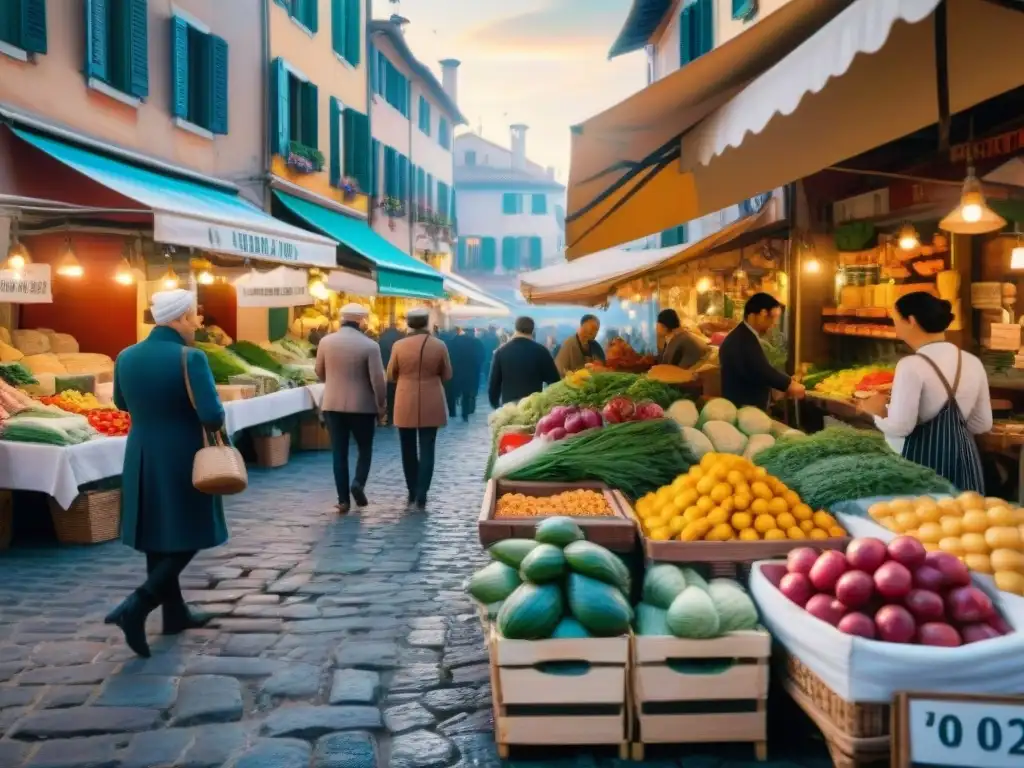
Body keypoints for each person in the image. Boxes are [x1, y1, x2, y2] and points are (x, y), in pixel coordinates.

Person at [106, 289, 226, 658]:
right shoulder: (191, 358)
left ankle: (174, 613)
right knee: (190, 530)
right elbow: (212, 416)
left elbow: (120, 403)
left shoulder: (126, 355)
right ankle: (138, 605)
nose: (197, 323)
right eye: (194, 317)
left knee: (157, 532)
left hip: (141, 452)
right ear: (180, 318)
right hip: (182, 453)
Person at [858, 292, 990, 492]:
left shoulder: (911, 365)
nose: (895, 325)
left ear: (910, 321)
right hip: (964, 464)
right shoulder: (972, 362)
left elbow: (901, 427)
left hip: (922, 468)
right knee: (967, 517)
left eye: (895, 319)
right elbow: (982, 424)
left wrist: (873, 412)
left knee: (924, 519)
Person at [316, 303, 387, 514]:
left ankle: (343, 500)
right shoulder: (370, 345)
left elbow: (319, 372)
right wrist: (381, 404)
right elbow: (378, 381)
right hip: (362, 407)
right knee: (364, 448)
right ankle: (358, 483)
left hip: (332, 404)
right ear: (362, 321)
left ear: (341, 319)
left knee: (339, 452)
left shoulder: (325, 342)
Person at [388, 308, 453, 511]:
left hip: (405, 398)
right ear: (426, 323)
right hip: (431, 397)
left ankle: (412, 490)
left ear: (408, 323)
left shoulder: (398, 345)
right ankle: (423, 492)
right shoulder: (439, 345)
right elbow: (448, 374)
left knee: (407, 448)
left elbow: (390, 374)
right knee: (428, 448)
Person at [719, 293, 805, 409]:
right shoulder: (742, 339)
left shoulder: (745, 334)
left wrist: (786, 381)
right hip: (743, 409)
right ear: (762, 314)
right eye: (772, 318)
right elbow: (761, 369)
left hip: (744, 407)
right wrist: (789, 384)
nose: (773, 324)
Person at [489, 316, 561, 407]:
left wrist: (495, 405)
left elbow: (494, 383)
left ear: (515, 329)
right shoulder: (541, 351)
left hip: (509, 408)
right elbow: (554, 381)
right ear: (533, 330)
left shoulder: (501, 352)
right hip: (533, 407)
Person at [447, 327, 483, 421]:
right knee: (466, 394)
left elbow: (448, 356)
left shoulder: (452, 342)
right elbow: (481, 356)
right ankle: (465, 414)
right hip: (469, 372)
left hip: (454, 371)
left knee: (452, 393)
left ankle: (452, 412)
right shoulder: (475, 342)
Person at [378, 323, 403, 425]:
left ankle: (391, 417)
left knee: (389, 394)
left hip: (386, 368)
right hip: (400, 369)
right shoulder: (401, 336)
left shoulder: (382, 337)